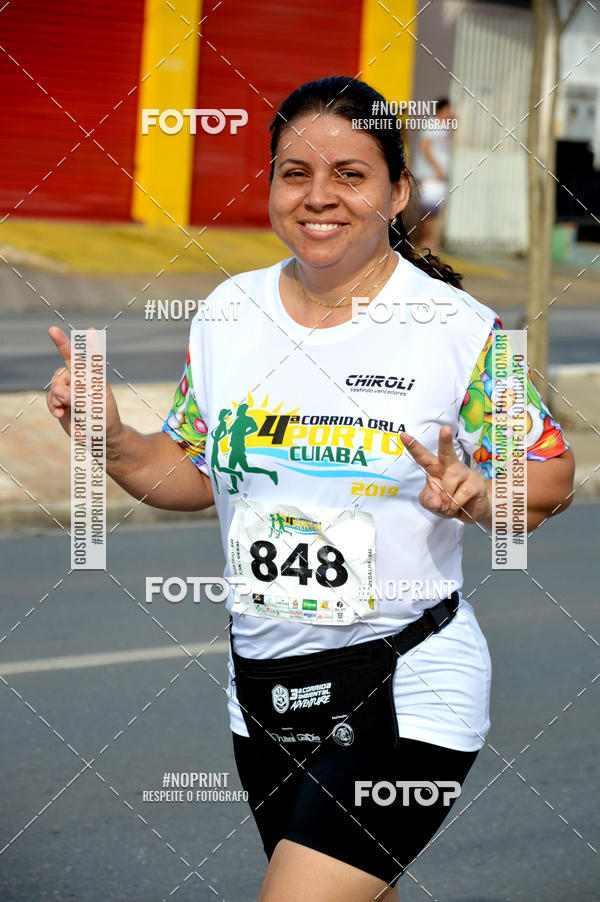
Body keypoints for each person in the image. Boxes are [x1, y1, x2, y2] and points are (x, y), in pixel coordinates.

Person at [47, 76, 574, 902]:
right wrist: (110, 441)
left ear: (398, 190)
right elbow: (188, 468)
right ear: (270, 185)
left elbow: (551, 476)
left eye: (350, 175)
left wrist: (479, 496)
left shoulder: (461, 331)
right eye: (295, 173)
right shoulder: (227, 313)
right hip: (258, 690)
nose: (318, 197)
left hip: (405, 680)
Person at [411, 97, 456, 254]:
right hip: (431, 176)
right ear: (443, 110)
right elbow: (426, 148)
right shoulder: (433, 125)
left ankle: (432, 241)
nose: (453, 113)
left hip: (439, 177)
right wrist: (437, 169)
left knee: (436, 210)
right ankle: (426, 241)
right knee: (430, 210)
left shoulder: (445, 128)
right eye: (450, 109)